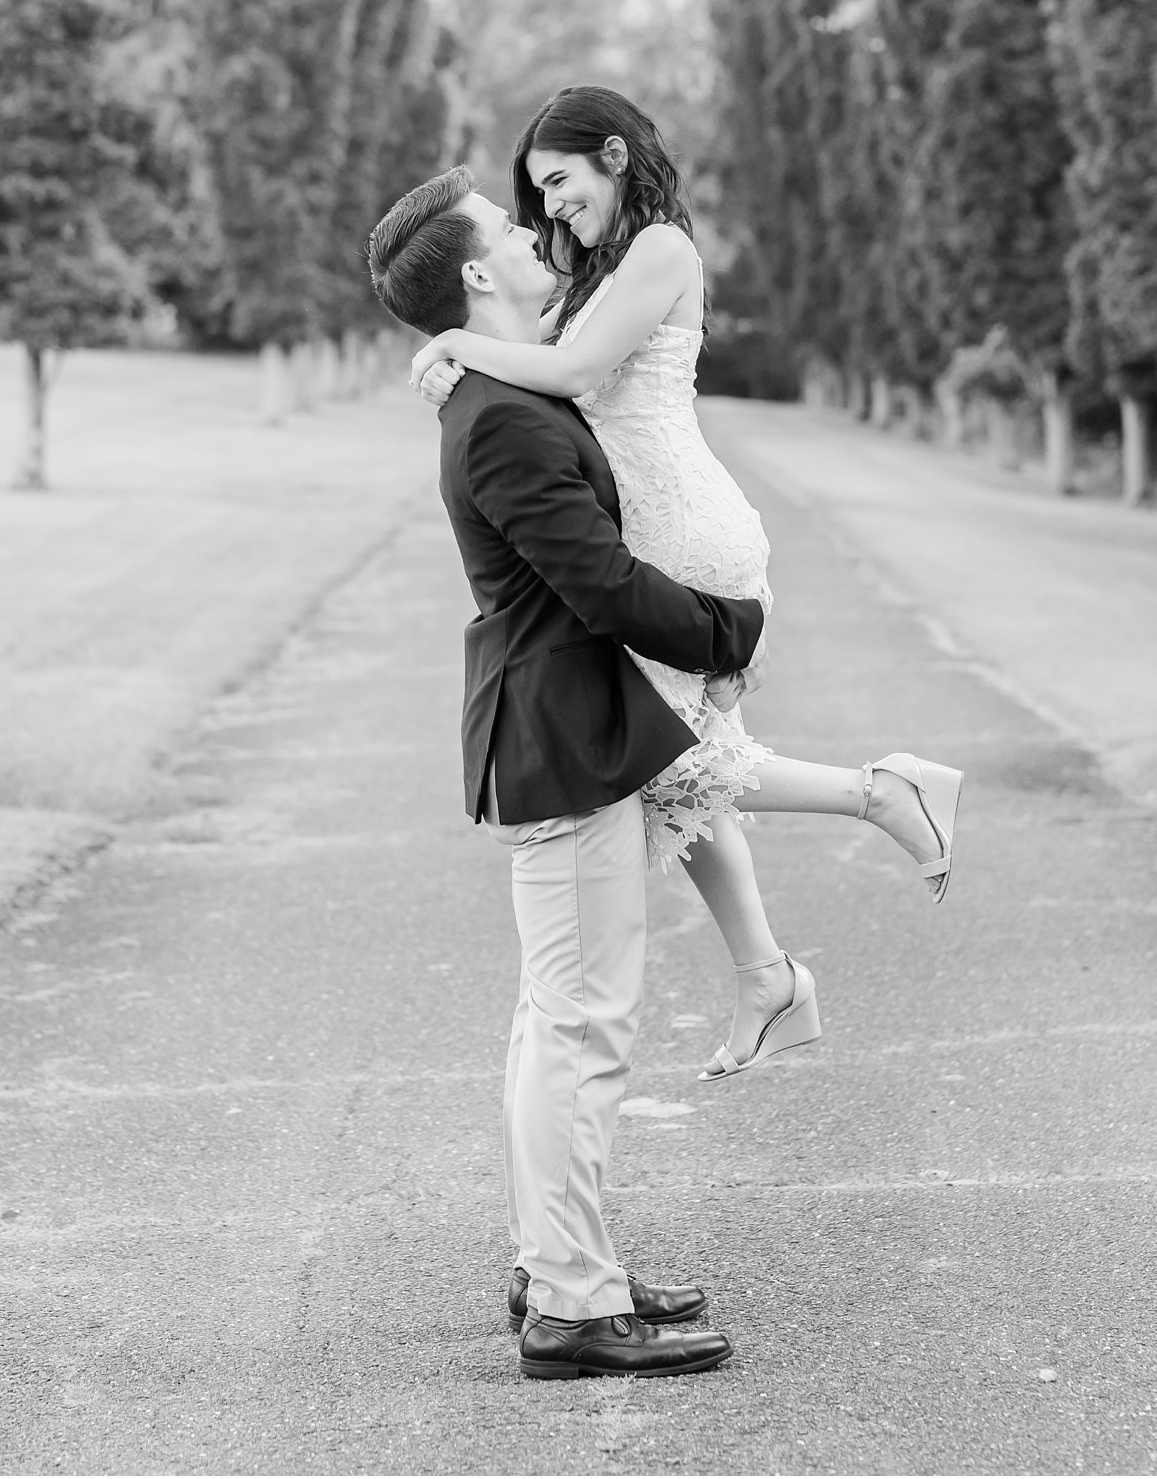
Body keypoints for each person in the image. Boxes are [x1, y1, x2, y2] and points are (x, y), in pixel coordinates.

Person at [410, 85, 963, 1081]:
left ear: (614, 156)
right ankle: (768, 972)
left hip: (678, 526)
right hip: (651, 523)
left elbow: (573, 372)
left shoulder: (661, 247)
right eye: (534, 199)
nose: (550, 212)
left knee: (669, 766)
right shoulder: (594, 262)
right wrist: (469, 354)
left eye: (560, 183)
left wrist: (451, 342)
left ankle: (879, 799)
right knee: (676, 770)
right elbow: (536, 356)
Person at [368, 164, 764, 1380]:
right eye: (509, 225)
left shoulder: (492, 390)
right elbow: (598, 580)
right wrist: (723, 628)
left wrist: (443, 352)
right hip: (563, 740)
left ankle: (560, 1264)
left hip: (557, 732)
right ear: (478, 273)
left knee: (558, 1026)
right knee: (580, 1030)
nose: (537, 233)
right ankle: (574, 1307)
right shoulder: (499, 417)